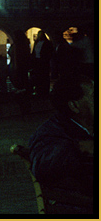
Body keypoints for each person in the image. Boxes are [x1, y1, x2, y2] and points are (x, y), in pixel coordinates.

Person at [26, 74, 95, 212]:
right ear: (74, 106)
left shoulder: (89, 127)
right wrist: (81, 148)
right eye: (94, 96)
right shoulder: (51, 132)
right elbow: (43, 163)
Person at [31, 31, 54, 97]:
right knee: (38, 76)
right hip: (37, 61)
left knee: (44, 76)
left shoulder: (47, 43)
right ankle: (39, 90)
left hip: (43, 62)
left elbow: (49, 53)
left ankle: (44, 91)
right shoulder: (37, 42)